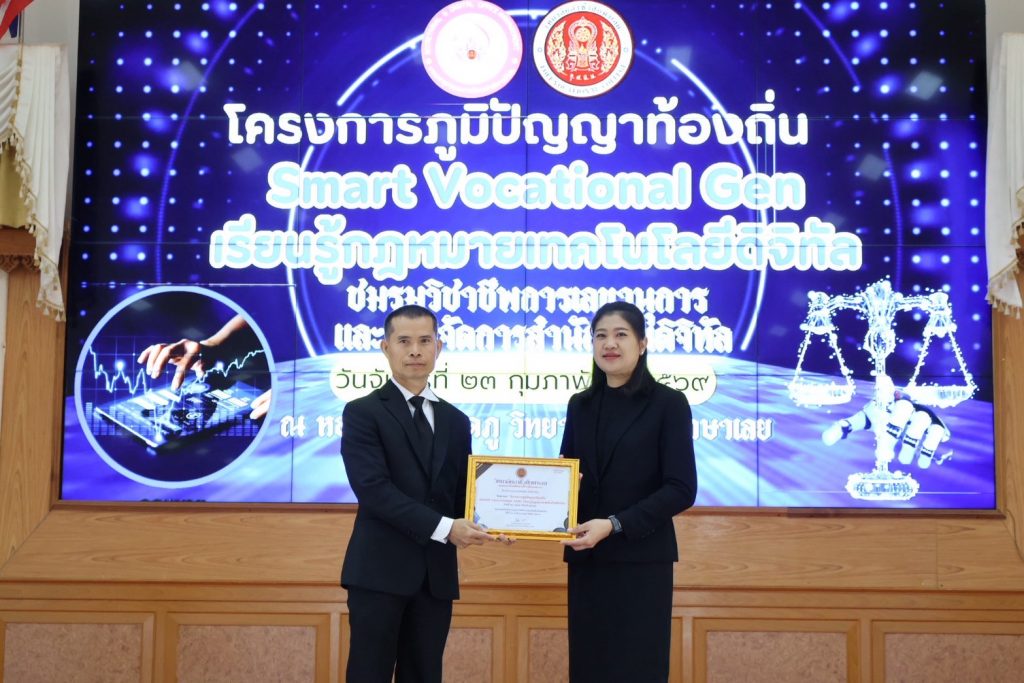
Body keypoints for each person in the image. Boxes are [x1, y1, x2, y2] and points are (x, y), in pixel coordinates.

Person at [340, 304, 498, 683]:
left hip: (434, 578)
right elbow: (373, 489)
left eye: (425, 341)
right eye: (404, 341)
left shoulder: (456, 421)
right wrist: (446, 528)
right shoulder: (363, 412)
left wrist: (498, 521)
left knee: (425, 675)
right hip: (378, 573)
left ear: (438, 348)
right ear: (386, 348)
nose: (415, 351)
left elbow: (461, 495)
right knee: (369, 674)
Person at [559, 301, 698, 683]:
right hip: (588, 561)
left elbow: (681, 488)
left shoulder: (668, 404)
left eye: (621, 334)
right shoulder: (580, 405)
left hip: (642, 563)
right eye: (600, 335)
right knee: (589, 669)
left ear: (642, 343)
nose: (609, 344)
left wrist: (615, 524)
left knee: (637, 668)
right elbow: (567, 475)